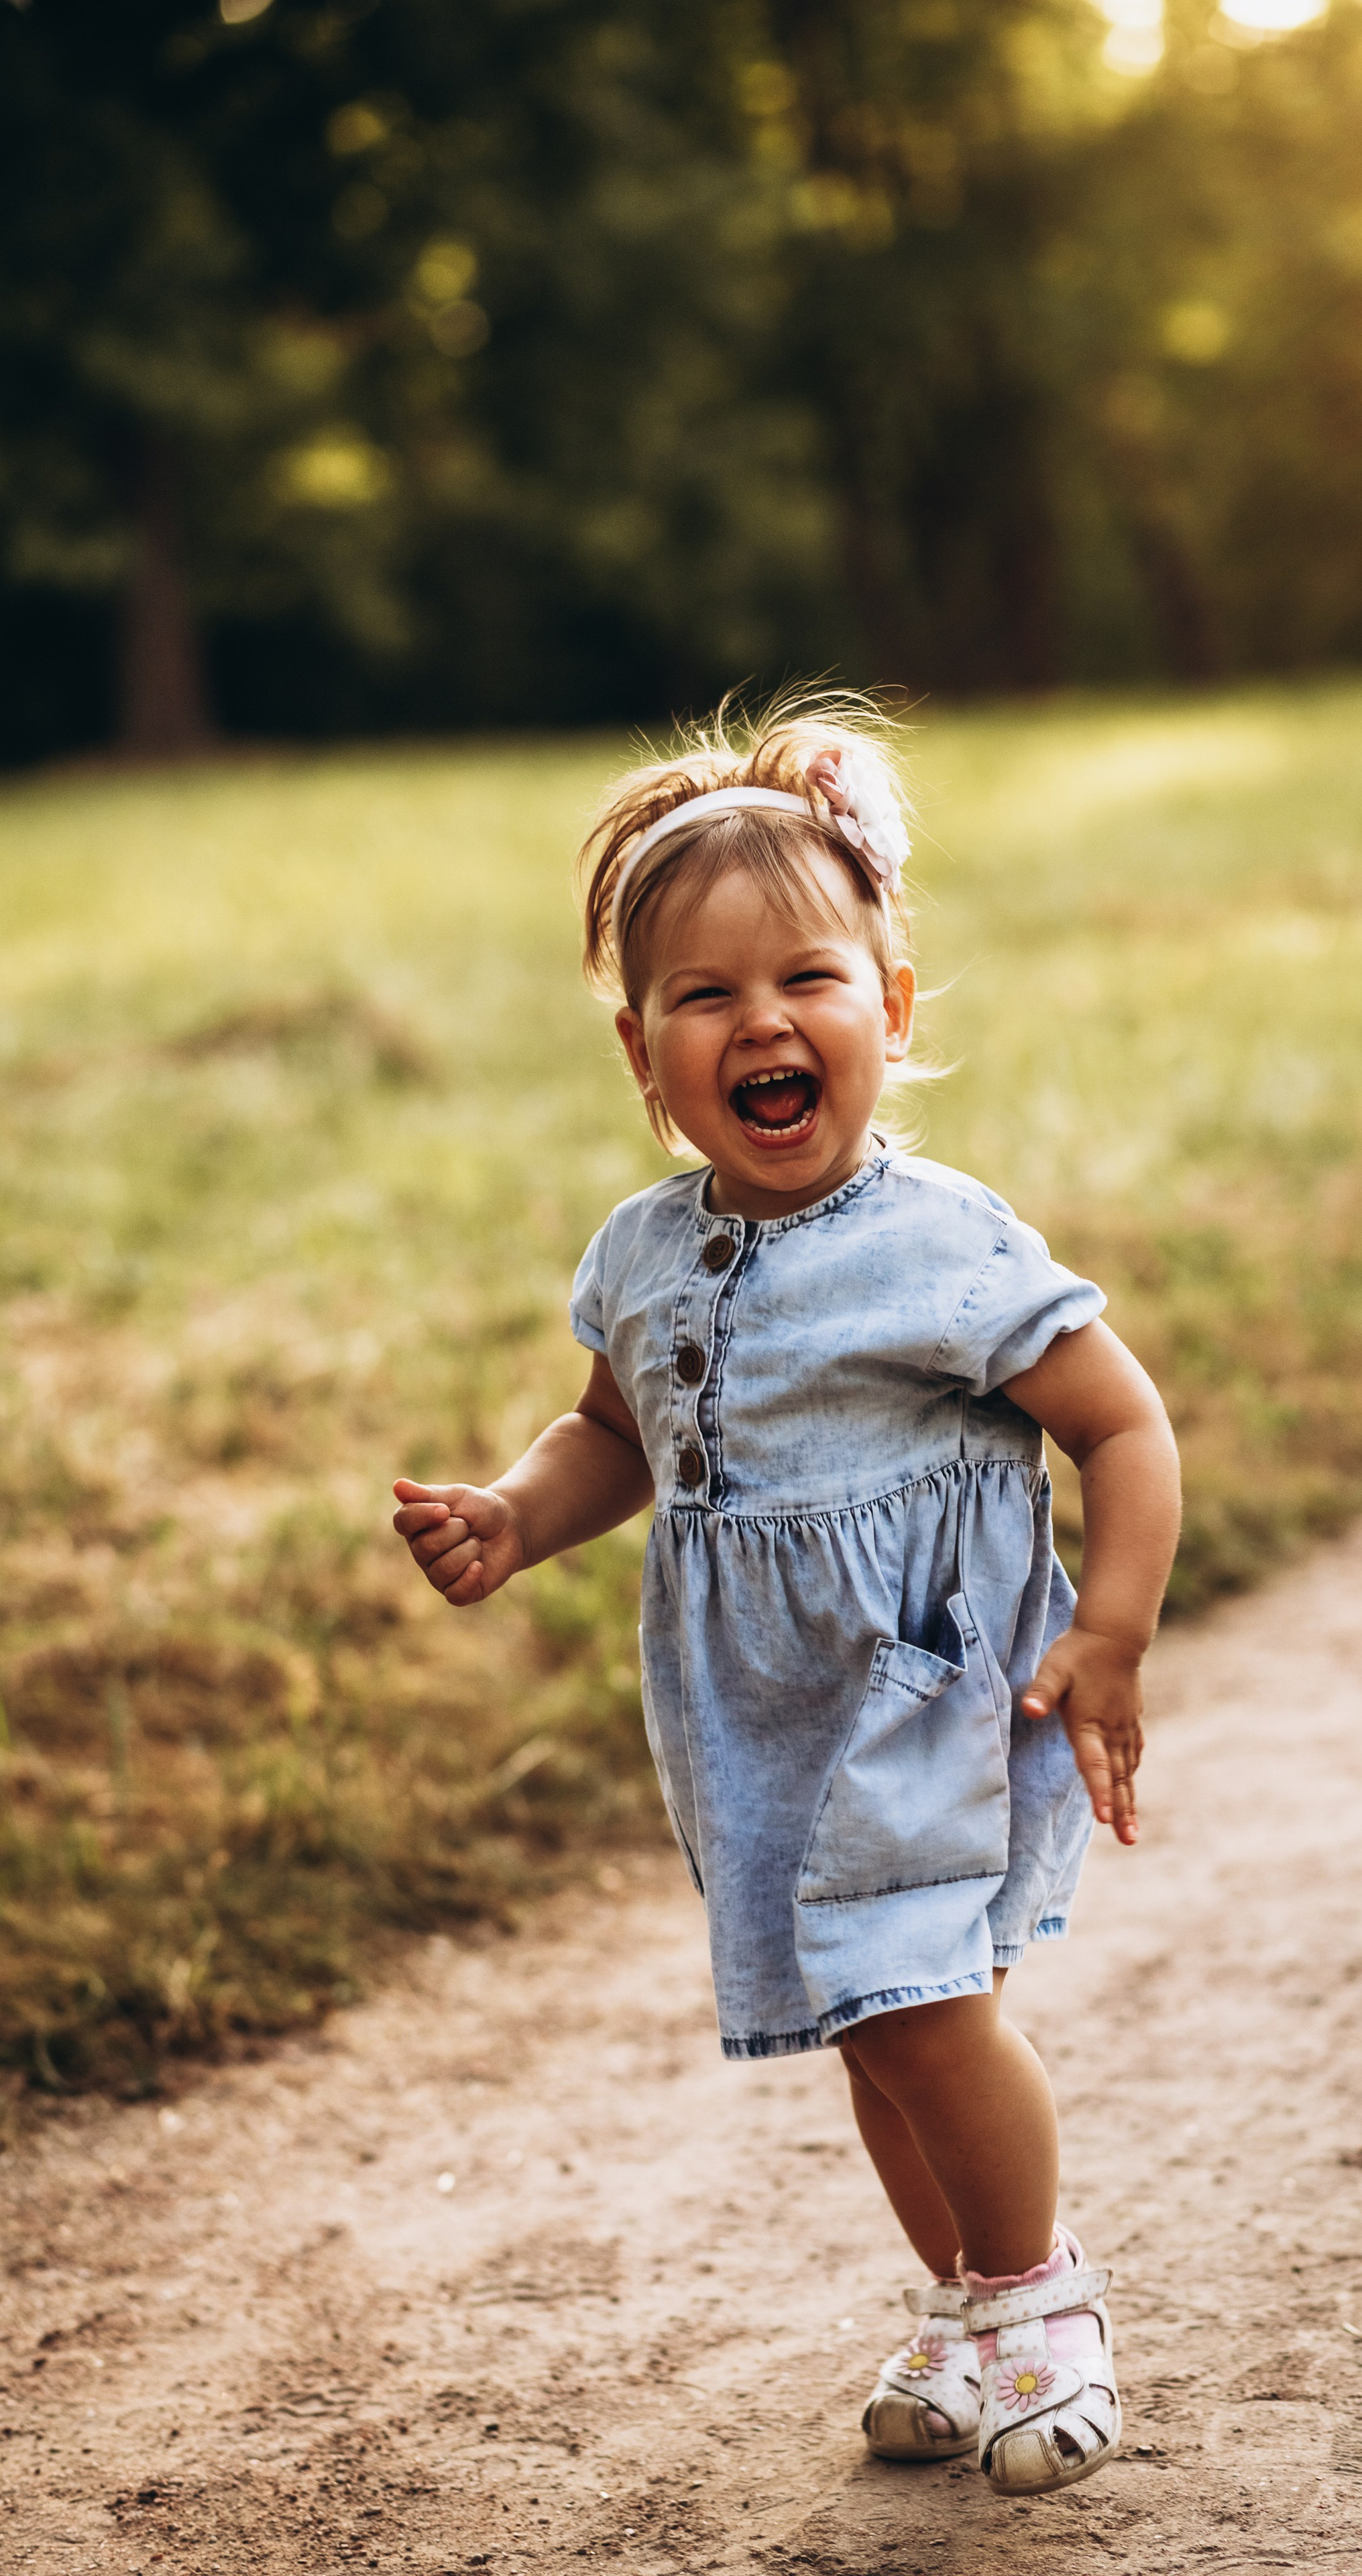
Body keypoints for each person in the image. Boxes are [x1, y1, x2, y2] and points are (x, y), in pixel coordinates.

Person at [390, 698, 1182, 2498]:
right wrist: (514, 1514)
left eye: (808, 979)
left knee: (920, 2012)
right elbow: (618, 1435)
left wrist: (1113, 1629)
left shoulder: (944, 1243)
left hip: (921, 1698)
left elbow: (1123, 1422)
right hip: (768, 1728)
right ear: (641, 1051)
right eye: (705, 996)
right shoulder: (642, 1254)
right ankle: (970, 2301)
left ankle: (1044, 2302)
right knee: (869, 2039)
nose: (762, 1022)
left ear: (889, 1008)